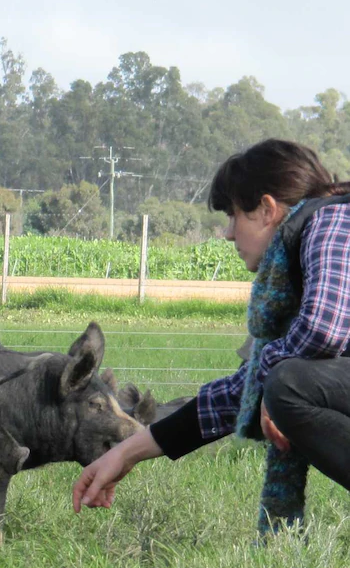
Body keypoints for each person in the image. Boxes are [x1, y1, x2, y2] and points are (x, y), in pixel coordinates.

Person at [73, 139, 350, 519]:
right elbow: (236, 395)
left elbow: (324, 328)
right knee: (284, 379)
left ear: (267, 209)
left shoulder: (331, 222)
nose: (228, 233)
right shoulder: (297, 269)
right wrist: (127, 452)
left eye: (234, 214)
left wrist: (270, 380)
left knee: (288, 382)